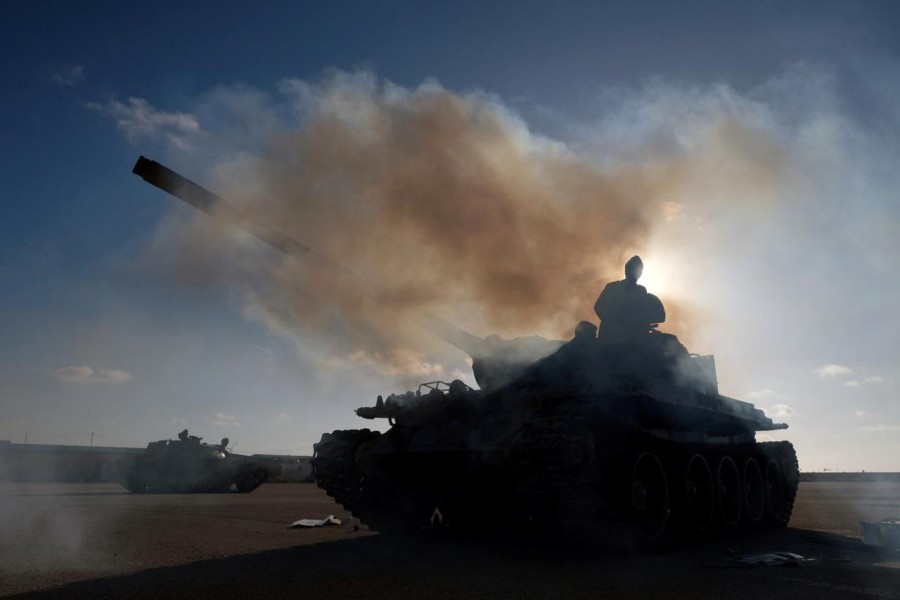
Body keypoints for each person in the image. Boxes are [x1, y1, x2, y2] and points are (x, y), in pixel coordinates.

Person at [594, 255, 665, 343]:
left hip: (630, 338)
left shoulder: (640, 291)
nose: (637, 273)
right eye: (636, 270)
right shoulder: (613, 287)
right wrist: (612, 322)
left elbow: (642, 314)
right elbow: (598, 307)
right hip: (612, 338)